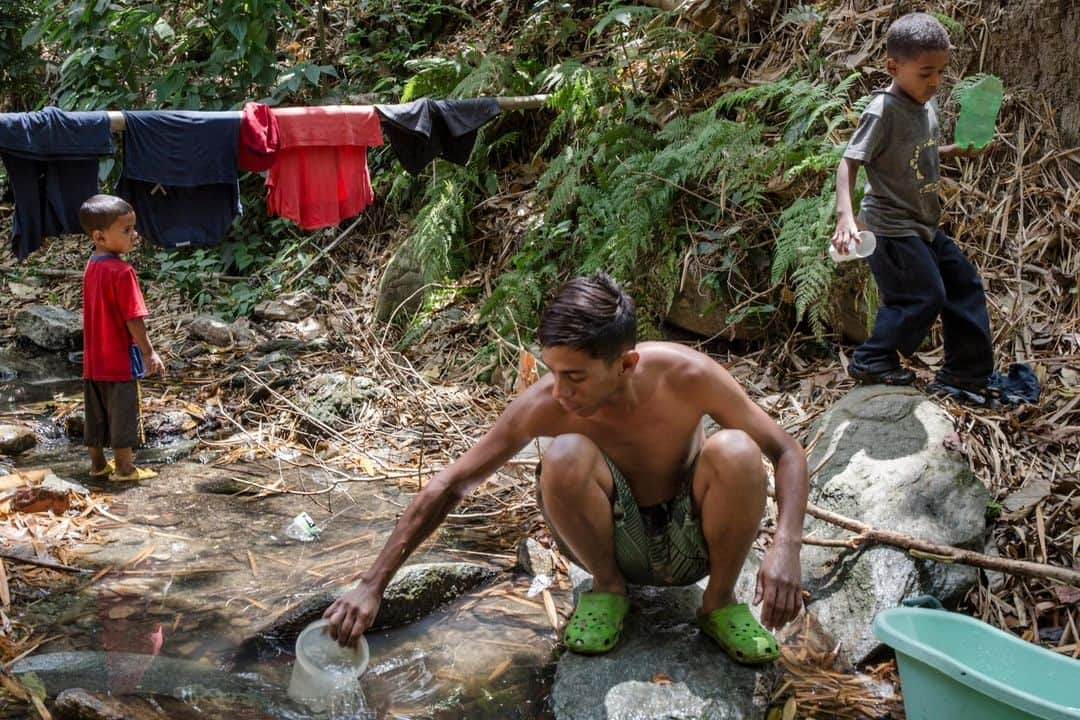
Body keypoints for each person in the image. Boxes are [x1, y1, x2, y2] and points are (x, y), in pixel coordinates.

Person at [325, 274, 808, 664]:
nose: (559, 391)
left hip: (691, 545)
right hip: (610, 548)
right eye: (552, 371)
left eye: (574, 377)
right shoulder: (546, 405)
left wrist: (785, 547)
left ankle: (720, 601)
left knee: (738, 450)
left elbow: (785, 451)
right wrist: (372, 585)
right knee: (563, 452)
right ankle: (607, 591)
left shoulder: (688, 376)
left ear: (626, 364)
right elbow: (453, 483)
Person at [832, 12, 994, 393]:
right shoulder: (882, 111)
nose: (935, 82)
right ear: (893, 66)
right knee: (924, 295)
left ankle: (965, 373)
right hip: (890, 227)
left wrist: (952, 151)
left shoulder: (925, 104)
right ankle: (872, 358)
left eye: (941, 72)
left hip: (923, 225)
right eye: (925, 73)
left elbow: (914, 152)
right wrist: (846, 217)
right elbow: (849, 160)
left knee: (963, 283)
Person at [80, 194, 165, 482]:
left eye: (133, 228)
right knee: (123, 413)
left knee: (97, 414)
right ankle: (125, 469)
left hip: (93, 362)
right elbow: (133, 317)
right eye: (126, 230)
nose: (134, 235)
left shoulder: (91, 266)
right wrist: (148, 351)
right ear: (100, 236)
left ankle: (97, 465)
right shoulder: (123, 272)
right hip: (118, 361)